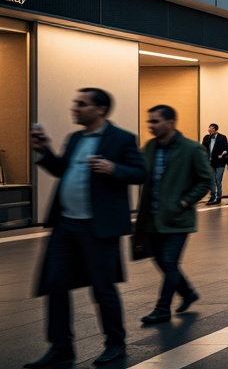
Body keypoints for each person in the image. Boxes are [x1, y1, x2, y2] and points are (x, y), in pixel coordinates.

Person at [26, 89, 147, 369]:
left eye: (81, 104)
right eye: (75, 103)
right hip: (66, 225)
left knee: (102, 288)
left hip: (99, 227)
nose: (75, 108)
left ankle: (115, 343)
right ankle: (61, 347)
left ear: (100, 109)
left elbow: (140, 173)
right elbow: (61, 170)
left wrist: (112, 168)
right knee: (55, 284)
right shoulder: (75, 138)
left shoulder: (121, 139)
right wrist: (43, 151)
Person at [136, 104, 213, 326]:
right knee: (160, 260)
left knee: (169, 261)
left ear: (170, 123)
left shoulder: (190, 148)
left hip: (179, 218)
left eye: (155, 121)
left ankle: (162, 308)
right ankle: (187, 292)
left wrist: (186, 201)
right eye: (149, 121)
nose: (150, 125)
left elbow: (205, 180)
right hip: (153, 218)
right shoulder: (149, 147)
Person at [201, 123, 228, 205]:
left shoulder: (222, 137)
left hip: (220, 163)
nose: (209, 130)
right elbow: (203, 148)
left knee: (218, 180)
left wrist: (222, 155)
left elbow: (226, 149)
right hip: (210, 162)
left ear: (215, 130)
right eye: (209, 129)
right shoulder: (207, 137)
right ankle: (212, 197)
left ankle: (218, 197)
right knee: (211, 180)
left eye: (211, 129)